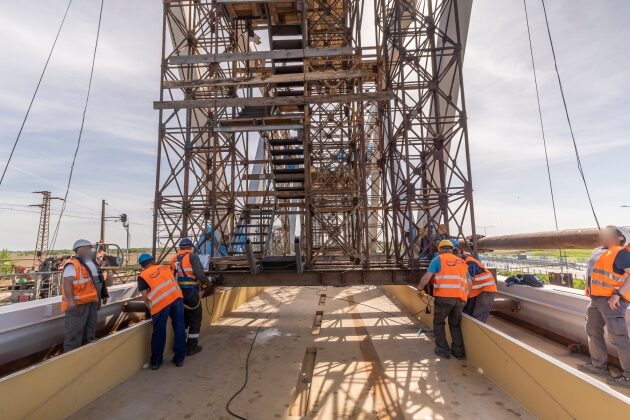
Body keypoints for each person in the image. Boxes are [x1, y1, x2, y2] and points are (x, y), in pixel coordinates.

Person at [578, 226, 630, 388]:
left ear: (621, 238)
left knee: (618, 338)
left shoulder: (620, 252)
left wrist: (618, 294)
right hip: (596, 300)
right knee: (593, 331)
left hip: (612, 302)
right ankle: (599, 366)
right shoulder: (599, 251)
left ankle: (628, 376)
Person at [417, 239, 471, 359]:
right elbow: (469, 282)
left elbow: (427, 277)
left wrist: (420, 289)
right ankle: (458, 352)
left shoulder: (438, 259)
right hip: (461, 299)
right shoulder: (462, 262)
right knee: (455, 324)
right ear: (452, 249)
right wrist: (466, 296)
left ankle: (442, 350)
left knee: (439, 323)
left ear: (439, 250)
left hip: (444, 298)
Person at [137, 253, 186, 370]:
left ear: (142, 266)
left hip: (160, 303)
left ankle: (156, 362)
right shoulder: (165, 268)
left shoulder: (142, 276)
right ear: (153, 261)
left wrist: (151, 310)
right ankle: (179, 359)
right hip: (176, 298)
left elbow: (145, 297)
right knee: (179, 328)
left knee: (159, 332)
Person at [61, 239, 109, 352]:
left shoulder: (92, 263)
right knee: (74, 331)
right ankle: (71, 356)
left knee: (90, 329)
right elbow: (67, 282)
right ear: (79, 250)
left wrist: (103, 295)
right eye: (88, 248)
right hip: (78, 304)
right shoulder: (73, 265)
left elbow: (98, 280)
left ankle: (87, 353)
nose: (90, 251)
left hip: (91, 301)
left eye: (90, 248)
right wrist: (71, 301)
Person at [170, 238, 211, 356]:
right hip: (190, 293)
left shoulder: (173, 259)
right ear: (190, 247)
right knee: (195, 319)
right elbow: (199, 274)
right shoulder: (192, 257)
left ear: (180, 248)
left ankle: (180, 346)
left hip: (177, 294)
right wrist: (206, 283)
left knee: (182, 320)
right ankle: (192, 347)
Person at [462, 252, 497, 323]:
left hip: (486, 289)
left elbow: (467, 280)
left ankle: (476, 332)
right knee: (469, 314)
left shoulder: (469, 263)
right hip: (476, 291)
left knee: (479, 317)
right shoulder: (465, 262)